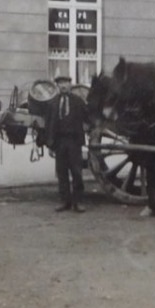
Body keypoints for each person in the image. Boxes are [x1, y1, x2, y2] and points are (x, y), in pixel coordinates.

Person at [43, 74, 88, 212]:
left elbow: (86, 119)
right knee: (61, 173)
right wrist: (50, 144)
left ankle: (78, 202)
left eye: (66, 83)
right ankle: (65, 201)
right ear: (57, 86)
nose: (63, 86)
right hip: (60, 142)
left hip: (74, 141)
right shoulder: (52, 103)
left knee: (76, 172)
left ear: (70, 85)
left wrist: (86, 131)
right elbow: (49, 125)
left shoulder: (78, 102)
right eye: (60, 83)